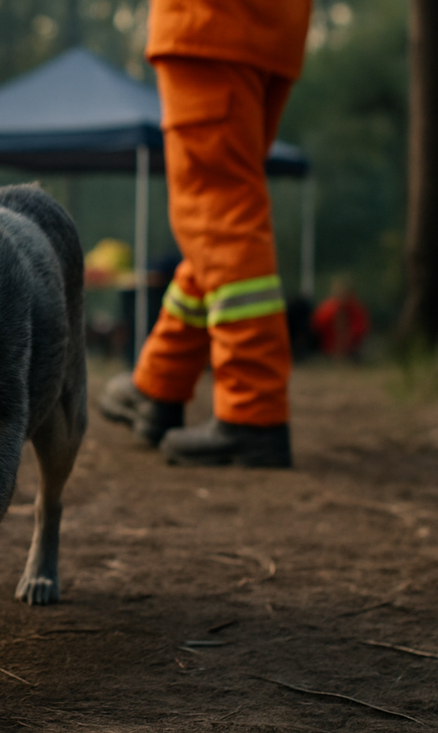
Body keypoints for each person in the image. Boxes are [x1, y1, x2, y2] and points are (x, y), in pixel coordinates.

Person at [99, 0, 312, 468]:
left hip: (210, 23)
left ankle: (253, 412)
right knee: (214, 224)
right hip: (269, 27)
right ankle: (159, 385)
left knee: (221, 216)